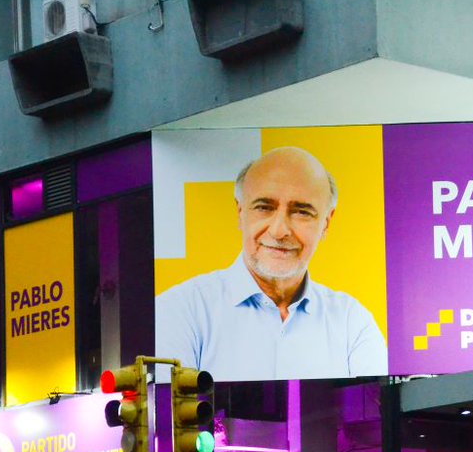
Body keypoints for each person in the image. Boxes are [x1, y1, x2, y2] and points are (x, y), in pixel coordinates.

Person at [155, 146, 388, 381]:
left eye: (302, 212)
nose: (279, 231)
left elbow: (378, 411)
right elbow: (167, 413)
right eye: (264, 208)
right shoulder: (180, 312)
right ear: (240, 212)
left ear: (326, 223)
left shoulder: (352, 323)